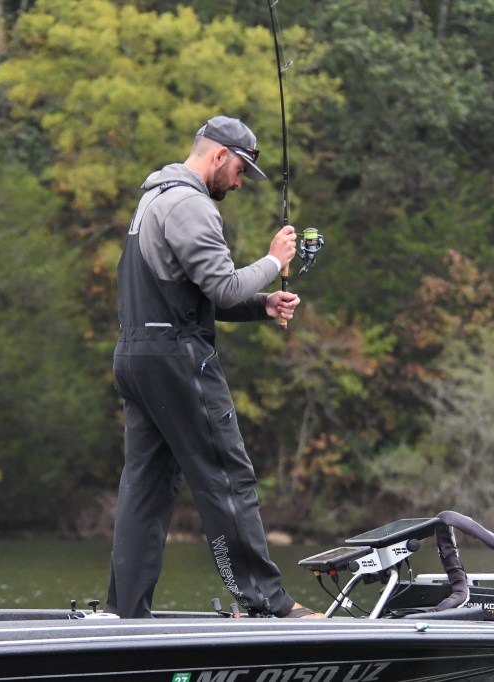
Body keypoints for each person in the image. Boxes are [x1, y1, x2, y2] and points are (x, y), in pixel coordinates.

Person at [106, 115, 317, 618]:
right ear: (219, 155)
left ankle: (126, 610)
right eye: (241, 170)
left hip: (138, 356)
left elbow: (189, 296)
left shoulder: (153, 199)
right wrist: (274, 260)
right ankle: (266, 602)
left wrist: (262, 305)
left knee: (146, 486)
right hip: (178, 361)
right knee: (227, 476)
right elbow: (222, 287)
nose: (240, 183)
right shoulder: (191, 205)